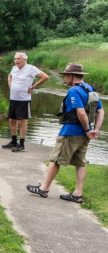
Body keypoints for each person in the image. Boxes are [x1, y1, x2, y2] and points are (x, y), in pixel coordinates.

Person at [27, 64, 103, 204]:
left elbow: (80, 112)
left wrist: (87, 130)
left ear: (72, 76)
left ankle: (44, 189)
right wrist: (94, 130)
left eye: (65, 76)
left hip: (71, 131)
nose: (64, 79)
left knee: (55, 160)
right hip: (85, 134)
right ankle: (77, 194)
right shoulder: (90, 89)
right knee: (80, 163)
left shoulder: (74, 90)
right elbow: (100, 111)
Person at [3, 52, 49, 152]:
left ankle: (22, 144)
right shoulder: (14, 68)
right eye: (15, 59)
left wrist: (33, 86)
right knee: (11, 120)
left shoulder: (30, 68)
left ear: (24, 60)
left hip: (24, 99)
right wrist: (10, 84)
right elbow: (9, 76)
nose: (16, 61)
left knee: (21, 121)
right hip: (13, 98)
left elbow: (45, 76)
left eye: (19, 59)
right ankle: (14, 141)